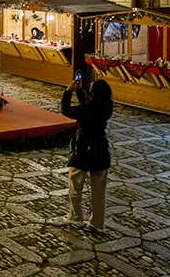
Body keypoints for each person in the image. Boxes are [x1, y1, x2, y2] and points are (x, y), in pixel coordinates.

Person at [61, 78, 113, 231]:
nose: (90, 84)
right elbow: (88, 106)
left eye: (92, 85)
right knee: (99, 191)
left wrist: (68, 92)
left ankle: (75, 216)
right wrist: (79, 91)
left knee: (75, 185)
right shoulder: (107, 105)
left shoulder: (87, 109)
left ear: (95, 92)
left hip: (83, 149)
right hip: (101, 149)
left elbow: (66, 110)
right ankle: (98, 222)